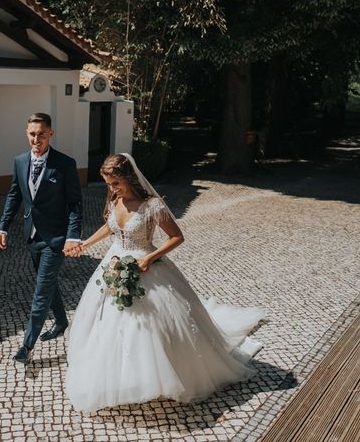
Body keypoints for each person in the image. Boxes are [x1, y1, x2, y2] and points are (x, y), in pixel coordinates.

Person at [64, 153, 265, 411]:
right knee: (108, 323)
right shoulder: (115, 198)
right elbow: (110, 227)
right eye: (108, 183)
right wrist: (84, 244)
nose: (111, 189)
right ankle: (120, 376)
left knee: (148, 324)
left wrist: (149, 258)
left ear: (128, 177)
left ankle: (161, 376)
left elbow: (176, 237)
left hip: (145, 264)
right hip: (113, 264)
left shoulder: (153, 205)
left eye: (115, 183)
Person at [0, 113, 83, 364]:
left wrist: (72, 236)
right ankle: (62, 321)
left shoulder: (65, 164)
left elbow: (75, 204)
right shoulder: (20, 161)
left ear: (50, 134)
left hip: (56, 239)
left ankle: (27, 346)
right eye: (32, 134)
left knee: (41, 292)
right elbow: (14, 196)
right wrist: (3, 227)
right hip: (32, 236)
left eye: (41, 134)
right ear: (27, 133)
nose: (37, 139)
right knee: (48, 282)